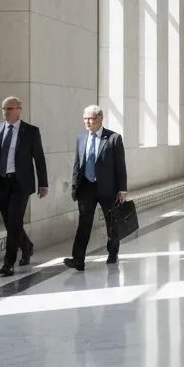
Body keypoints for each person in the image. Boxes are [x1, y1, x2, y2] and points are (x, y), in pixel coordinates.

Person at [0, 96, 49, 276]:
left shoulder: (31, 131)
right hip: (1, 182)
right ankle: (26, 246)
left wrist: (43, 183)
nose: (6, 112)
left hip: (21, 183)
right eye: (4, 109)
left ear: (19, 109)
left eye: (10, 109)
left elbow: (39, 158)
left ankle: (8, 263)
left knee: (14, 221)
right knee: (10, 222)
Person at [65, 105, 128, 269]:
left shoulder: (114, 138)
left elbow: (120, 166)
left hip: (108, 189)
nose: (87, 122)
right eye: (85, 118)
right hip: (86, 187)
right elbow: (77, 165)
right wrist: (74, 187)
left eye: (91, 118)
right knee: (83, 224)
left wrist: (122, 189)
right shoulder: (81, 138)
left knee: (111, 223)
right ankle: (78, 259)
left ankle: (113, 252)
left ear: (100, 118)